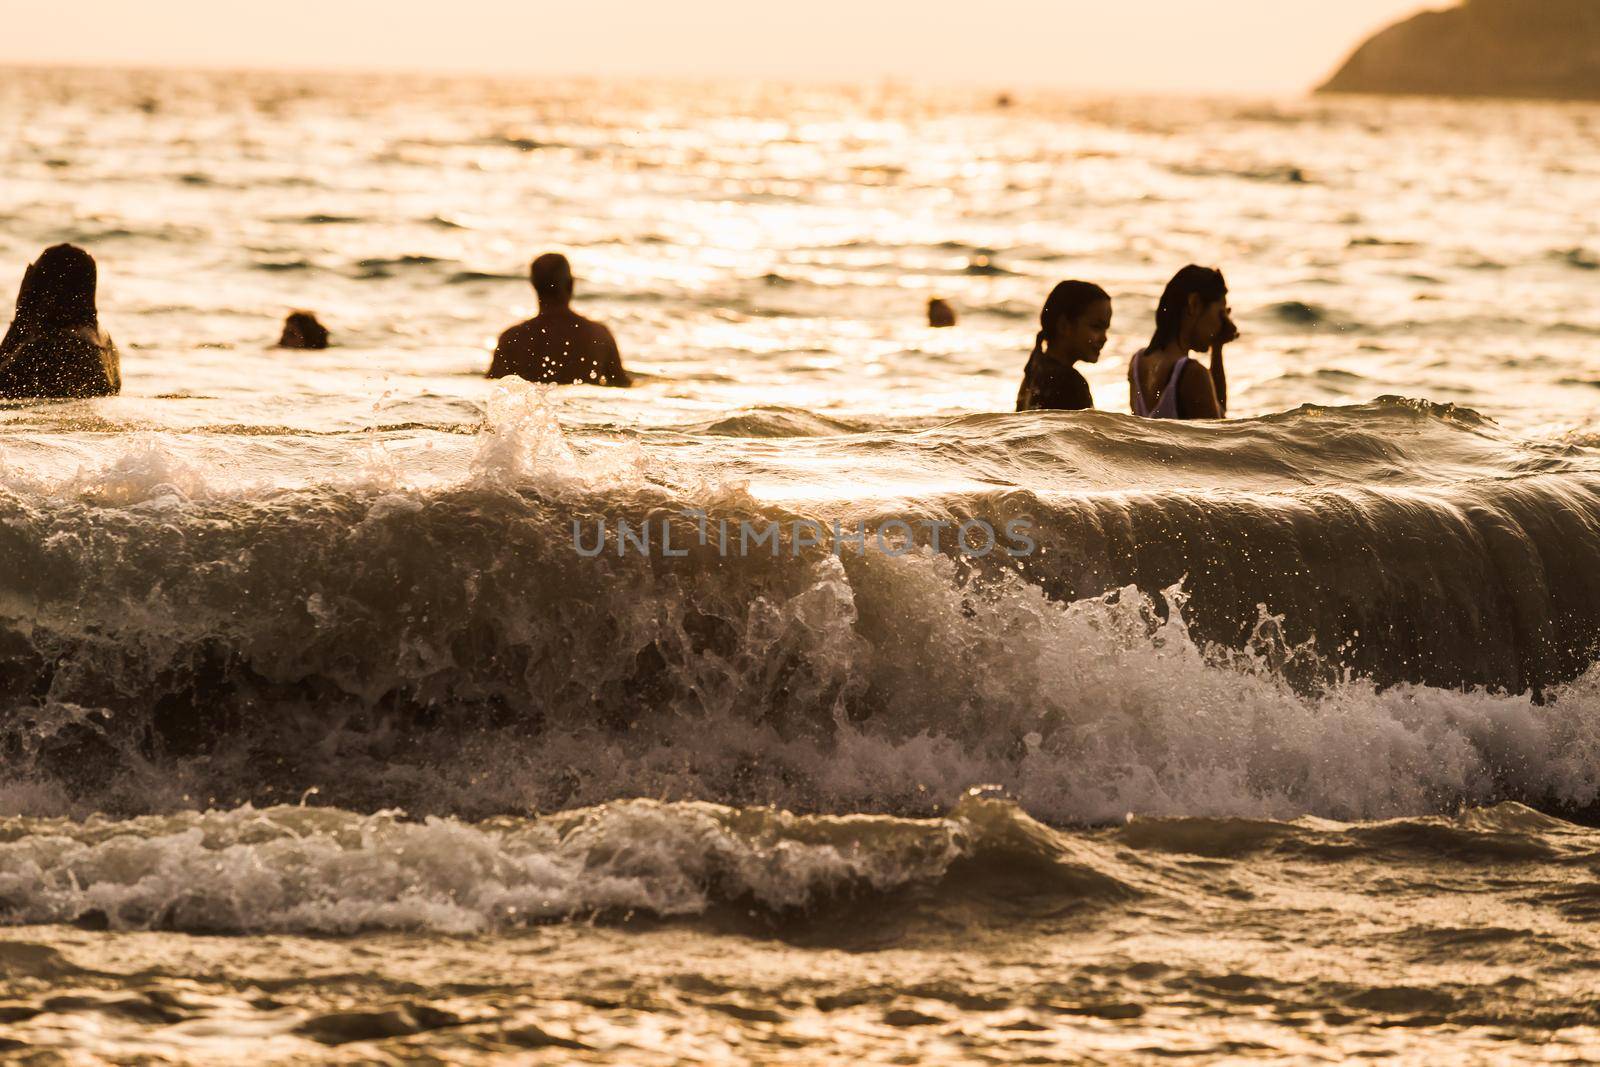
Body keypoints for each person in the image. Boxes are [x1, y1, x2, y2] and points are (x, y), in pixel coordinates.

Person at [487, 253, 631, 386]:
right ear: (570, 284)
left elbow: (492, 387)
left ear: (534, 285)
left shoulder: (512, 338)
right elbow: (621, 386)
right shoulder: (599, 335)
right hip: (583, 411)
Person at [0, 244, 120, 399]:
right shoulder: (105, 343)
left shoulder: (49, 346)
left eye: (33, 279)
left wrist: (21, 316)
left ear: (43, 290)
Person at [1128, 265, 1237, 420]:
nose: (1222, 324)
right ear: (1194, 304)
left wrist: (1217, 346)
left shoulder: (1138, 362)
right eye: (1220, 313)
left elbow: (1215, 408)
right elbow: (1218, 435)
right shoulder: (1193, 373)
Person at [1016, 280, 1111, 412]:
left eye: (1106, 329)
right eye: (1096, 327)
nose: (1104, 338)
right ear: (1064, 326)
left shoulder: (1034, 371)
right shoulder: (1071, 383)